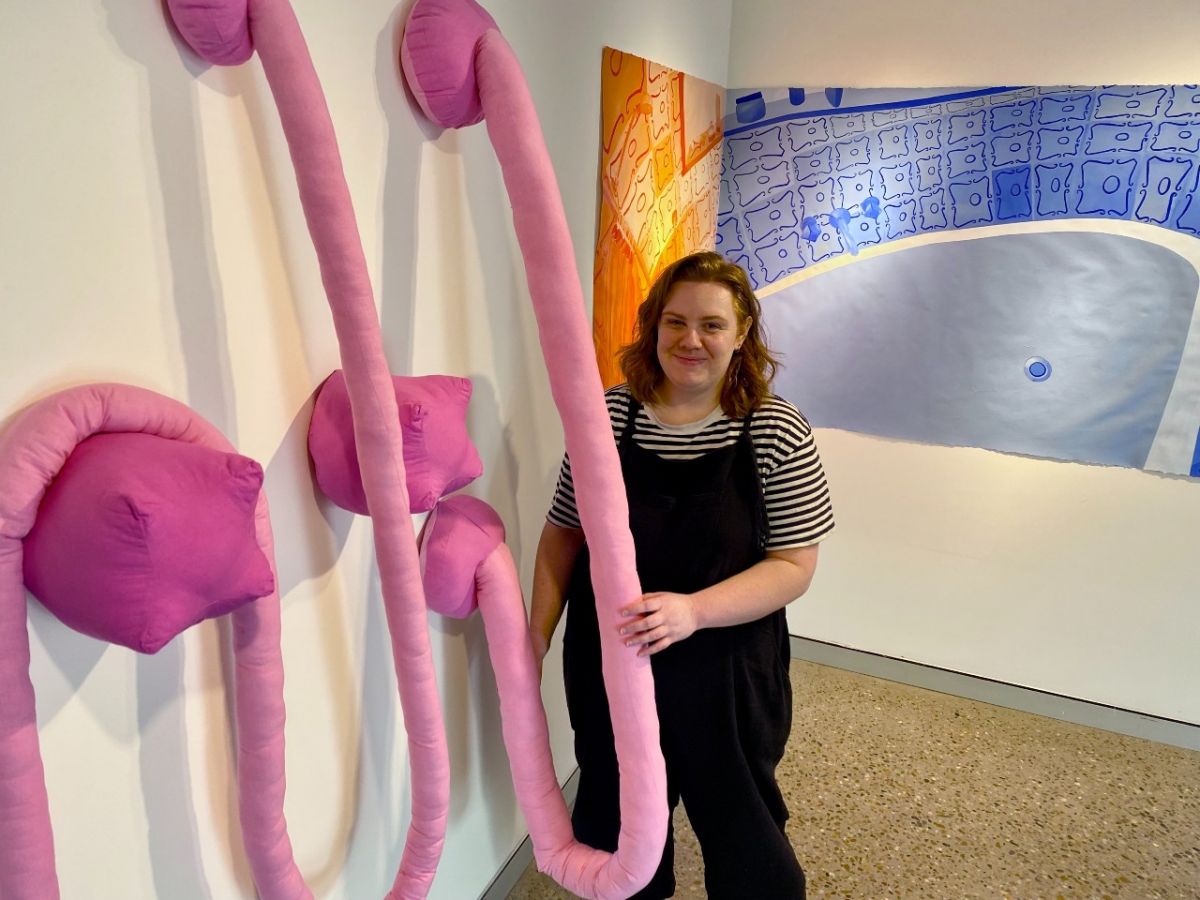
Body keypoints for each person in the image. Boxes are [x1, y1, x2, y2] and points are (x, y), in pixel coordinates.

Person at [530, 250, 835, 899]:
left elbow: (793, 566)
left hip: (725, 673)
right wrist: (534, 637)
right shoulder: (611, 418)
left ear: (743, 332)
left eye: (711, 324)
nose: (690, 340)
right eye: (675, 322)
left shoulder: (775, 430)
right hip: (612, 665)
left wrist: (693, 610)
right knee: (619, 833)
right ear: (654, 327)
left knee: (746, 837)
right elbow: (562, 533)